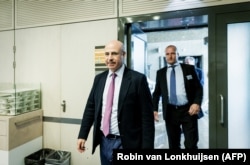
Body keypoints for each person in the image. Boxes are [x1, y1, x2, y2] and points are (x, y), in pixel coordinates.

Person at [77, 40, 155, 165]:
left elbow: (147, 118)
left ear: (123, 55)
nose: (110, 58)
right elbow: (90, 108)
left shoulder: (137, 80)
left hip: (127, 143)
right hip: (104, 141)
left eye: (114, 54)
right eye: (107, 54)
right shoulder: (99, 79)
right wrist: (82, 135)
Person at [152, 45, 203, 149]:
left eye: (173, 53)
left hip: (188, 110)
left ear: (177, 55)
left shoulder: (189, 69)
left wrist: (196, 103)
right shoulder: (160, 73)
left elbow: (198, 88)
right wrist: (154, 109)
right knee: (173, 145)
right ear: (165, 56)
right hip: (170, 112)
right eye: (167, 54)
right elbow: (156, 93)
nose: (170, 56)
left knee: (191, 144)